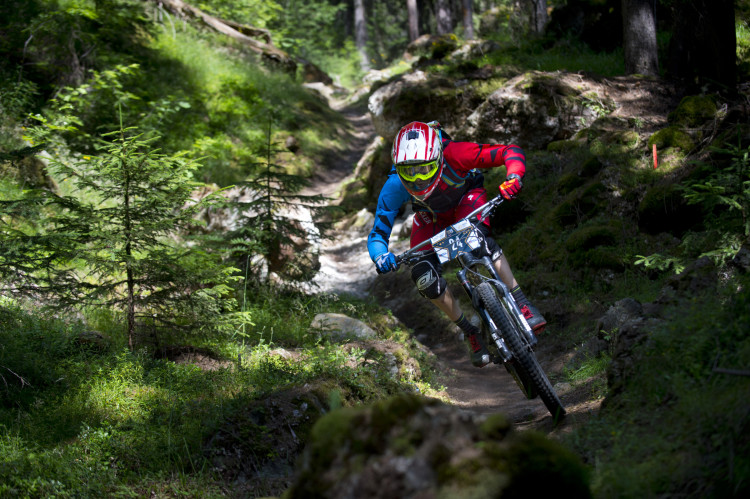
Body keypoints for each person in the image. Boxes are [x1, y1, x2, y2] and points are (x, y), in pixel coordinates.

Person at [367, 121, 546, 368]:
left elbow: (509, 151)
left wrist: (514, 177)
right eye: (410, 172)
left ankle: (522, 302)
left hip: (467, 199)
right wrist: (380, 257)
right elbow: (377, 235)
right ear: (398, 169)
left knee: (478, 242)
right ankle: (470, 331)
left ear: (438, 157)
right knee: (424, 277)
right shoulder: (394, 185)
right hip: (432, 218)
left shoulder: (455, 153)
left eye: (424, 169)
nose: (418, 180)